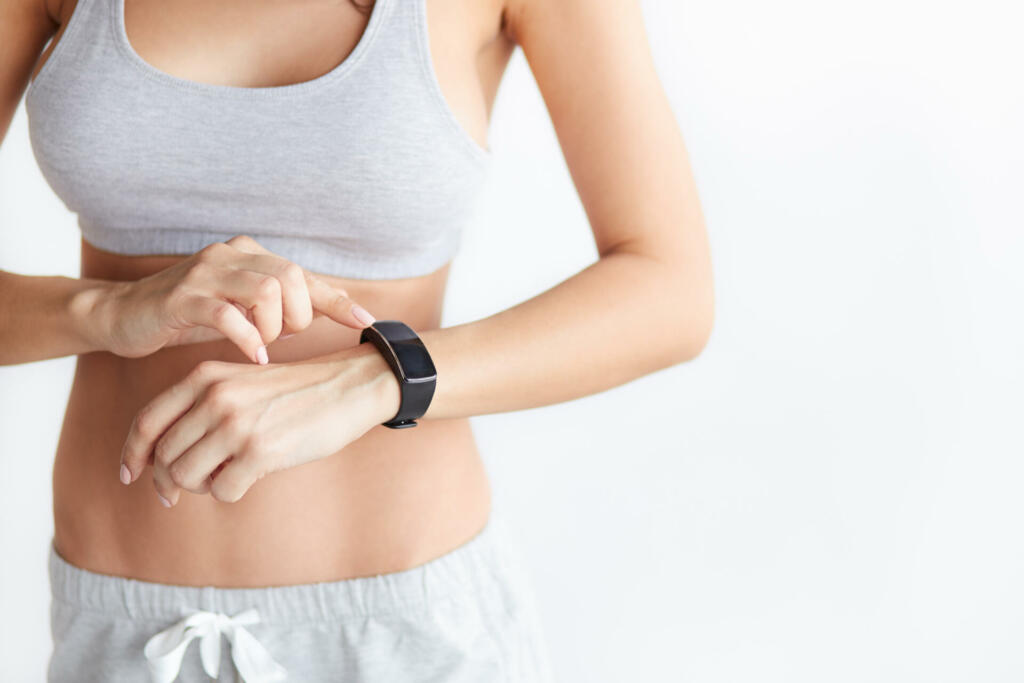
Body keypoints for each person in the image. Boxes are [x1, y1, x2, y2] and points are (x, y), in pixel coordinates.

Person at [0, 0, 714, 679]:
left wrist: (374, 380)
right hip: (125, 637)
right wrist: (104, 309)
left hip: (407, 635)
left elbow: (670, 285)